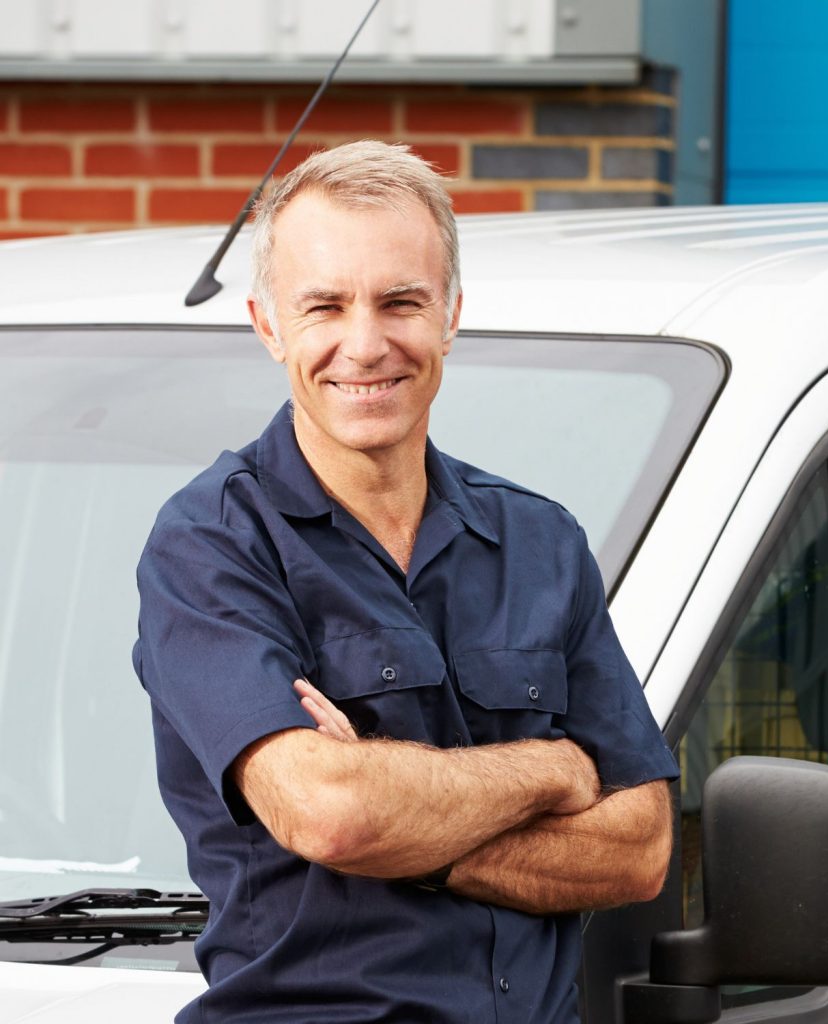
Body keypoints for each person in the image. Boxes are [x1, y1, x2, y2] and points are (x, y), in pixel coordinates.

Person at [133, 140, 679, 1024]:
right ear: (268, 325)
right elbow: (332, 816)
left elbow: (639, 850)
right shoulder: (213, 545)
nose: (365, 343)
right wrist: (551, 769)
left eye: (400, 302)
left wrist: (408, 828)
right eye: (324, 306)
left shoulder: (539, 540)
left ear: (451, 314)